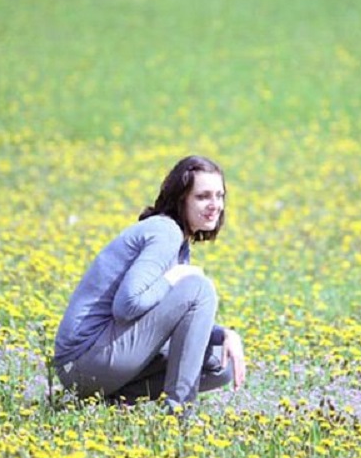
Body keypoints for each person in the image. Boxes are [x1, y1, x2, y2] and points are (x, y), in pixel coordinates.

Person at [53, 155, 246, 414]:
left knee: (221, 365)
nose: (215, 205)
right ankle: (179, 415)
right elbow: (127, 305)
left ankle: (108, 404)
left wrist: (224, 334)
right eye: (203, 197)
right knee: (200, 287)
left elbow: (169, 316)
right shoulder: (165, 232)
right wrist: (177, 277)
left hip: (97, 365)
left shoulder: (179, 243)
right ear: (181, 200)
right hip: (83, 361)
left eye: (219, 196)